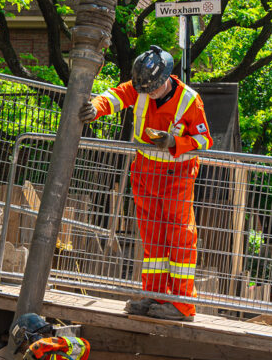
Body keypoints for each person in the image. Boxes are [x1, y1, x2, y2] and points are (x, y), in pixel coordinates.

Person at [79, 46, 212, 321]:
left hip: (177, 175)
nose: (147, 94)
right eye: (144, 89)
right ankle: (155, 295)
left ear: (166, 78)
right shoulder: (140, 86)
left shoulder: (190, 100)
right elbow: (115, 96)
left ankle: (182, 304)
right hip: (146, 173)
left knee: (180, 239)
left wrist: (175, 142)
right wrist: (96, 108)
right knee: (152, 238)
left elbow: (204, 141)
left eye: (152, 89)